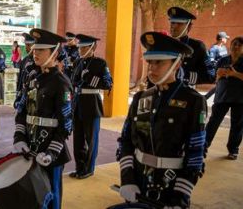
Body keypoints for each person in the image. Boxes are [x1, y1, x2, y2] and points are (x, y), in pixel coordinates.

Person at [117, 32, 206, 208]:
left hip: (172, 185)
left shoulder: (193, 100)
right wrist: (127, 178)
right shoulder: (141, 98)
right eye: (150, 62)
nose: (152, 68)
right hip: (137, 182)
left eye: (160, 62)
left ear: (177, 64)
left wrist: (180, 195)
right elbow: (125, 141)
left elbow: (196, 153)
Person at [13, 28, 72, 209]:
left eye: (41, 50)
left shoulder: (62, 84)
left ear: (54, 52)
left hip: (50, 152)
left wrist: (52, 152)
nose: (34, 53)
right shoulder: (32, 80)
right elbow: (22, 112)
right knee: (33, 196)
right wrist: (19, 138)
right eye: (35, 49)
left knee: (50, 196)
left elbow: (66, 124)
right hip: (30, 148)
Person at [70, 34, 113, 179]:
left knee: (91, 139)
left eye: (84, 47)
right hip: (78, 102)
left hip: (91, 103)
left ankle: (89, 169)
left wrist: (89, 78)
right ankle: (79, 167)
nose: (81, 50)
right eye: (80, 47)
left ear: (92, 47)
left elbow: (108, 84)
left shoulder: (100, 63)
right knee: (78, 139)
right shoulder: (77, 63)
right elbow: (72, 83)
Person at [205, 36, 243, 160]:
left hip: (240, 98)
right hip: (222, 96)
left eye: (239, 45)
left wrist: (234, 74)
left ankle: (233, 150)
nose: (236, 46)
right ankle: (203, 146)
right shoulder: (223, 60)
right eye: (234, 44)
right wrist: (219, 74)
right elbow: (216, 80)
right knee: (213, 122)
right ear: (230, 46)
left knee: (237, 125)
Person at [168, 7, 215, 86]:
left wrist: (183, 75)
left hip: (184, 93)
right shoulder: (162, 44)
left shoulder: (197, 46)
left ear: (189, 27)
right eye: (172, 22)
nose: (174, 26)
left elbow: (210, 75)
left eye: (179, 23)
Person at [14, 33, 36, 109]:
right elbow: (20, 79)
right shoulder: (25, 60)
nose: (27, 48)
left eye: (29, 45)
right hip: (23, 94)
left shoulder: (37, 61)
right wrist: (18, 95)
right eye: (26, 45)